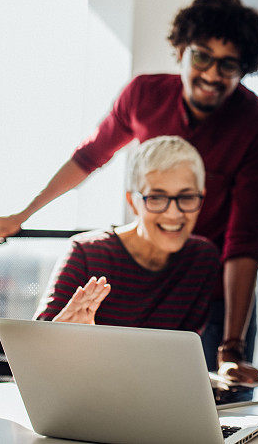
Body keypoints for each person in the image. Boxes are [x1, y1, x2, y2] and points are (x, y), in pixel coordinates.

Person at [0, 0, 258, 378]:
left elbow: (245, 238)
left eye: (229, 65)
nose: (211, 74)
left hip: (213, 287)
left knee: (210, 406)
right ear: (182, 51)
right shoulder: (143, 95)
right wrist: (22, 216)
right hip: (143, 271)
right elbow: (89, 157)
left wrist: (232, 346)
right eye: (202, 56)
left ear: (245, 70)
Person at [35, 136, 219, 332]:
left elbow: (185, 350)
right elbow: (35, 350)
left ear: (202, 197)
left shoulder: (202, 259)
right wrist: (64, 337)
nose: (173, 213)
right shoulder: (85, 254)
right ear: (132, 202)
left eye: (187, 197)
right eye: (156, 198)